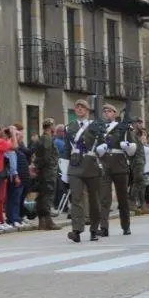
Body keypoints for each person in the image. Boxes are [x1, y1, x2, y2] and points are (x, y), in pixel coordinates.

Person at [65, 99, 103, 243]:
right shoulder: (69, 127)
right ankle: (77, 230)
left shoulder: (95, 125)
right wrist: (64, 171)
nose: (79, 109)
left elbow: (102, 144)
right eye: (77, 107)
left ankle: (94, 229)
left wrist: (102, 152)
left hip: (91, 164)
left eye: (82, 107)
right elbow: (67, 151)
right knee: (76, 198)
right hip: (75, 165)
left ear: (87, 111)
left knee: (94, 200)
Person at [97, 104, 134, 237]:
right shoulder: (99, 128)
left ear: (114, 114)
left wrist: (127, 146)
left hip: (119, 165)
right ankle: (104, 227)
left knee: (122, 198)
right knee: (104, 198)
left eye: (109, 111)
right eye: (105, 111)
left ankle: (126, 226)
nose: (106, 113)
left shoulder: (122, 128)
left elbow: (132, 147)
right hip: (105, 164)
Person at [30, 118, 60, 231]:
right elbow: (46, 157)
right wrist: (42, 167)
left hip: (44, 171)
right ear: (50, 126)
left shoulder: (42, 138)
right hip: (48, 172)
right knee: (47, 195)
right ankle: (48, 221)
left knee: (42, 196)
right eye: (53, 125)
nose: (54, 127)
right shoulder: (47, 139)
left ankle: (42, 222)